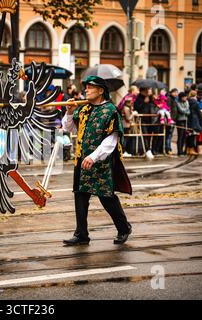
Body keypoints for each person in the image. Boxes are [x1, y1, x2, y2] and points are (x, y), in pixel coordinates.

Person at [61, 76, 132, 246]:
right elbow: (68, 127)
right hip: (81, 160)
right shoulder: (83, 108)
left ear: (101, 91)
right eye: (86, 87)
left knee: (106, 197)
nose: (86, 90)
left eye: (91, 87)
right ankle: (81, 234)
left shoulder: (111, 111)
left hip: (100, 162)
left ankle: (123, 228)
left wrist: (94, 156)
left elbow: (112, 140)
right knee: (80, 196)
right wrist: (69, 111)